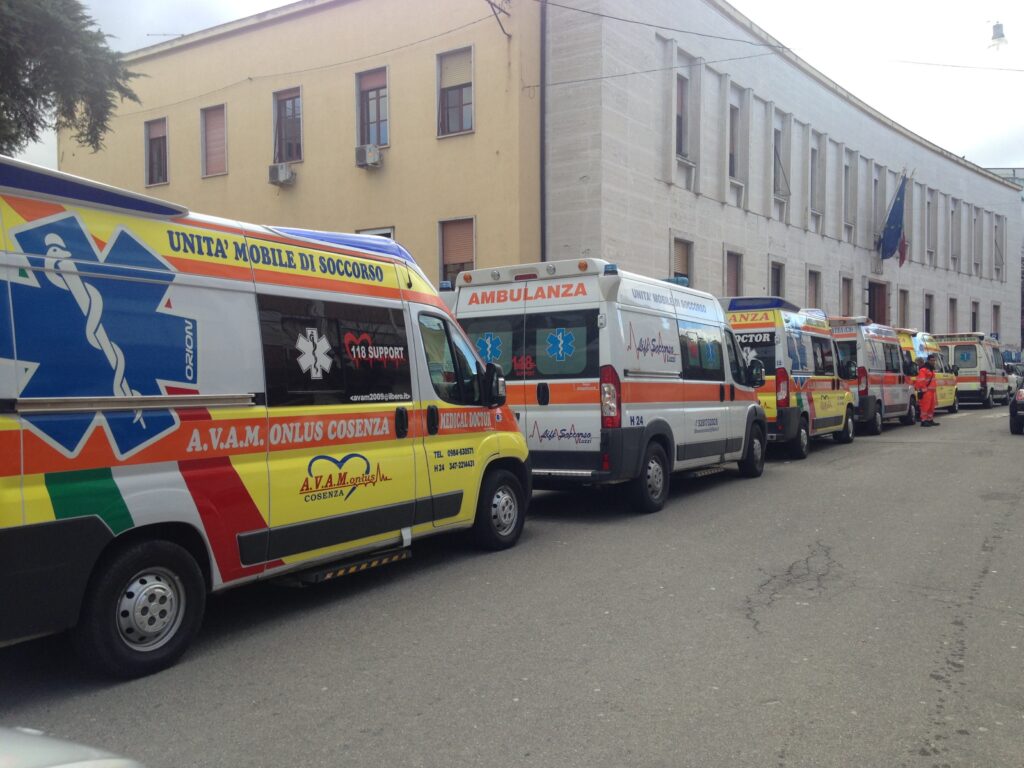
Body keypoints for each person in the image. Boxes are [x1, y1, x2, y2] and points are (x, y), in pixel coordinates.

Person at [915, 354, 940, 426]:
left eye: (934, 360)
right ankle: (924, 420)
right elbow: (920, 381)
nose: (933, 362)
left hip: (931, 392)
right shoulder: (924, 370)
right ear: (928, 361)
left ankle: (930, 419)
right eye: (932, 360)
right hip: (926, 392)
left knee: (931, 407)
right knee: (925, 407)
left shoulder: (931, 369)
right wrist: (924, 390)